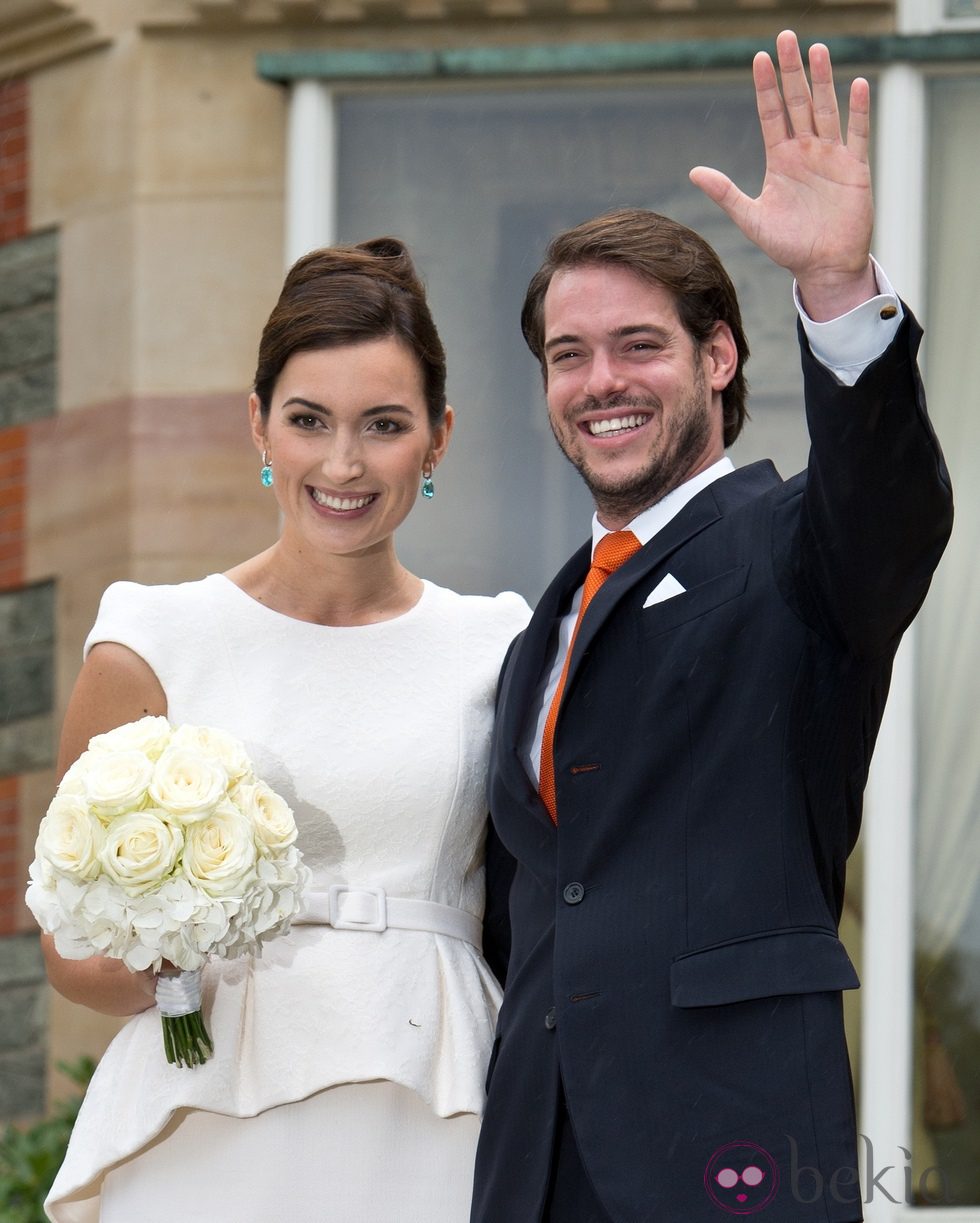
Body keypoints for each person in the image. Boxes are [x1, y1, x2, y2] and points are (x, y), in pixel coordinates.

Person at [472, 31, 953, 1223]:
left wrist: (839, 293)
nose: (601, 381)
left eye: (639, 345)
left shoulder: (793, 550)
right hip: (535, 1159)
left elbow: (889, 505)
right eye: (568, 356)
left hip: (726, 1153)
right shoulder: (544, 623)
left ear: (720, 356)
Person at [39, 237, 530, 1222]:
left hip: (432, 1108)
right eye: (309, 420)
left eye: (382, 425)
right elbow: (66, 946)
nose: (341, 463)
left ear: (436, 438)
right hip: (204, 1118)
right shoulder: (150, 635)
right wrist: (152, 960)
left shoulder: (499, 644)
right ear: (258, 425)